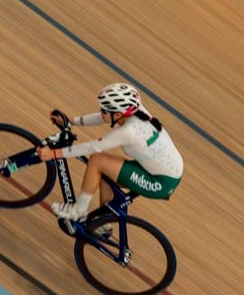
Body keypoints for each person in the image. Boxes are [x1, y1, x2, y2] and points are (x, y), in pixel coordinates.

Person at [36, 83, 183, 220]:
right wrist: (71, 121)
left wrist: (54, 154)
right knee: (105, 173)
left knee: (97, 160)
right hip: (167, 170)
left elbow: (91, 147)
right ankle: (102, 224)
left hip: (161, 182)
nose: (101, 112)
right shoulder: (135, 110)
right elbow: (103, 118)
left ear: (118, 115)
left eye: (104, 110)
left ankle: (77, 210)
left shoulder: (129, 132)